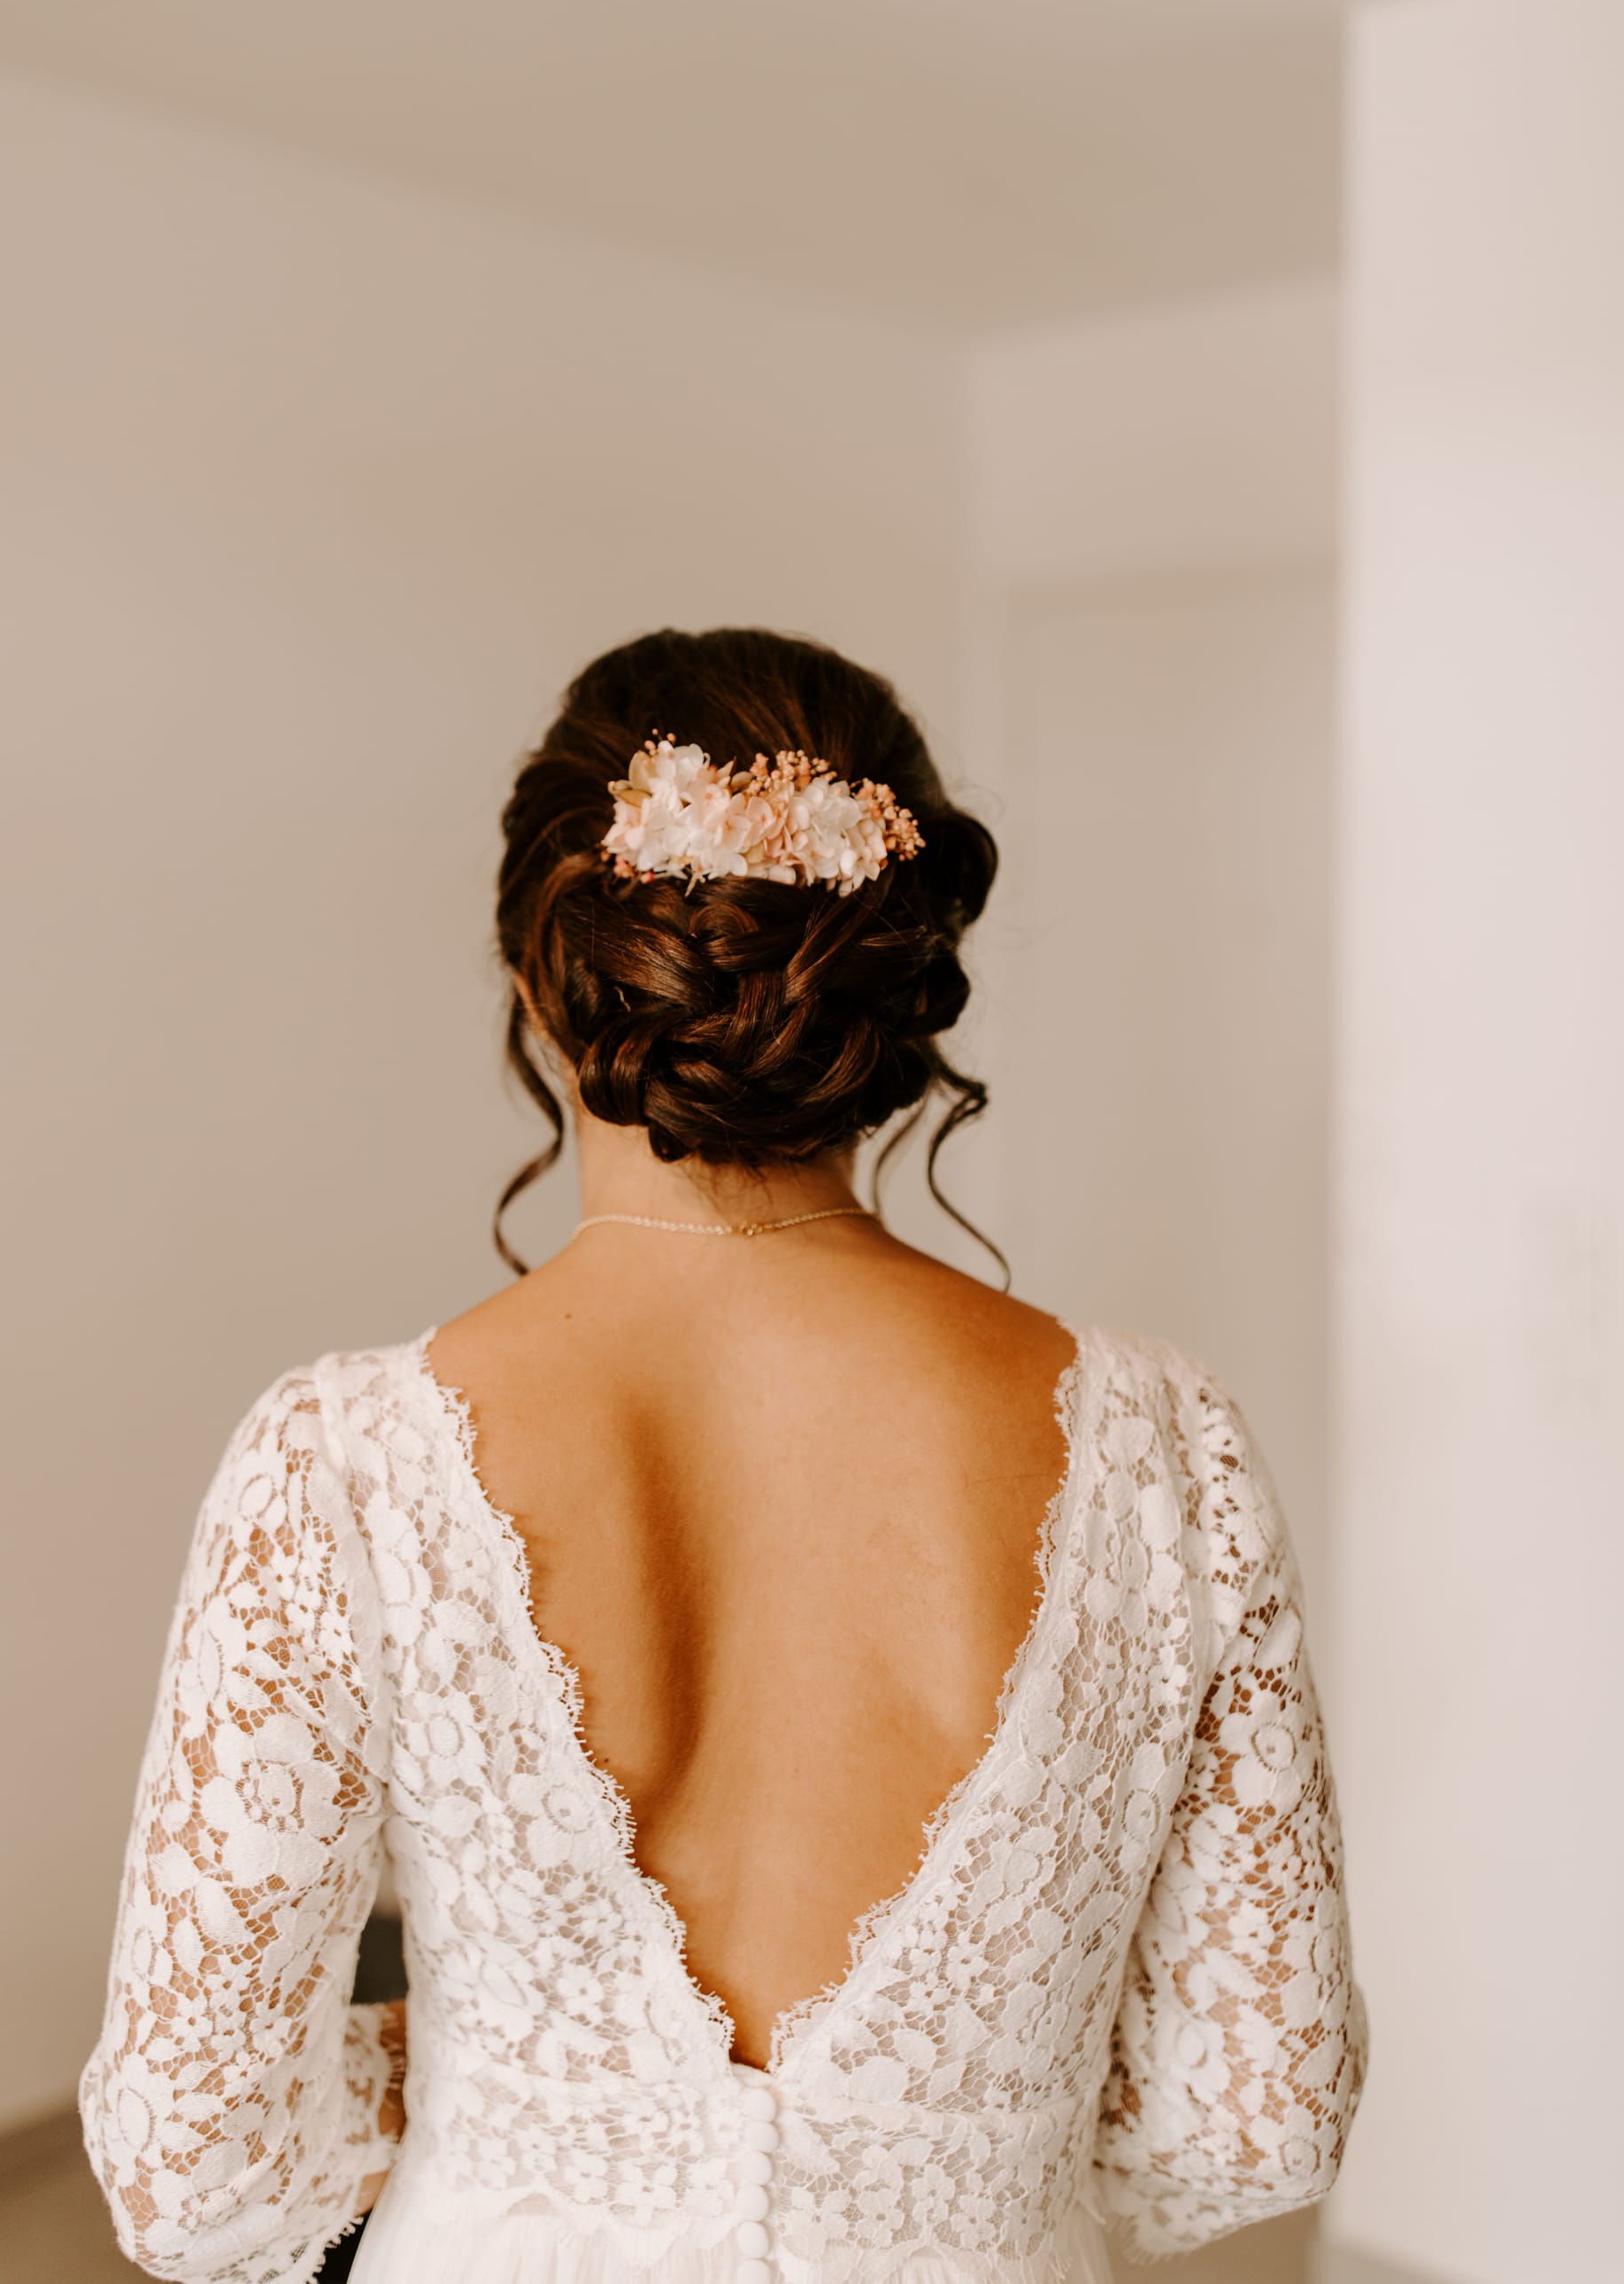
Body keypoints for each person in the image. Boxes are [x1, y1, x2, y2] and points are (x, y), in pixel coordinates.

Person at [81, 627, 1365, 2284]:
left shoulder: (340, 1464)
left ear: (544, 979)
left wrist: (491, 2089)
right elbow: (1257, 2120)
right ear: (895, 992)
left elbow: (198, 2175)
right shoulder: (1164, 1447)